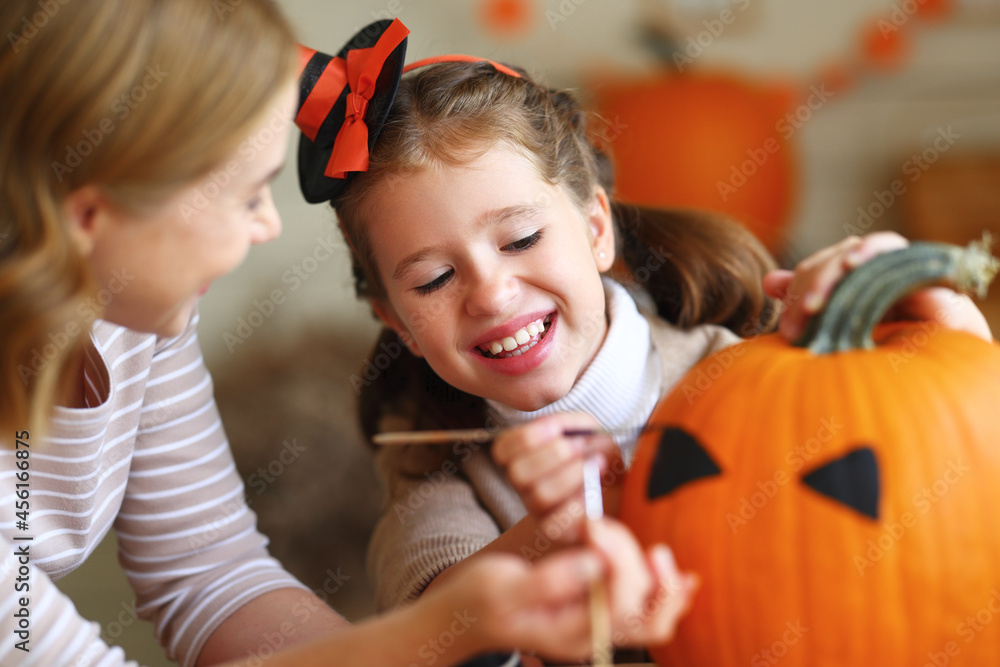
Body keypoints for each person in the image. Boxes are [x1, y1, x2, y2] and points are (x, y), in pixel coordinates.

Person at [0, 4, 693, 666]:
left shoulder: (139, 314)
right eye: (246, 195)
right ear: (93, 215)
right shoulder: (436, 493)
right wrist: (448, 622)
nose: (267, 226)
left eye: (520, 238)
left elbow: (208, 576)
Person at [295, 15, 995, 642]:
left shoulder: (752, 367)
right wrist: (555, 528)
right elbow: (434, 632)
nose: (492, 292)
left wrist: (914, 305)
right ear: (397, 322)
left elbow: (948, 460)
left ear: (597, 229)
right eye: (434, 280)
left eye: (520, 239)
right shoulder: (434, 475)